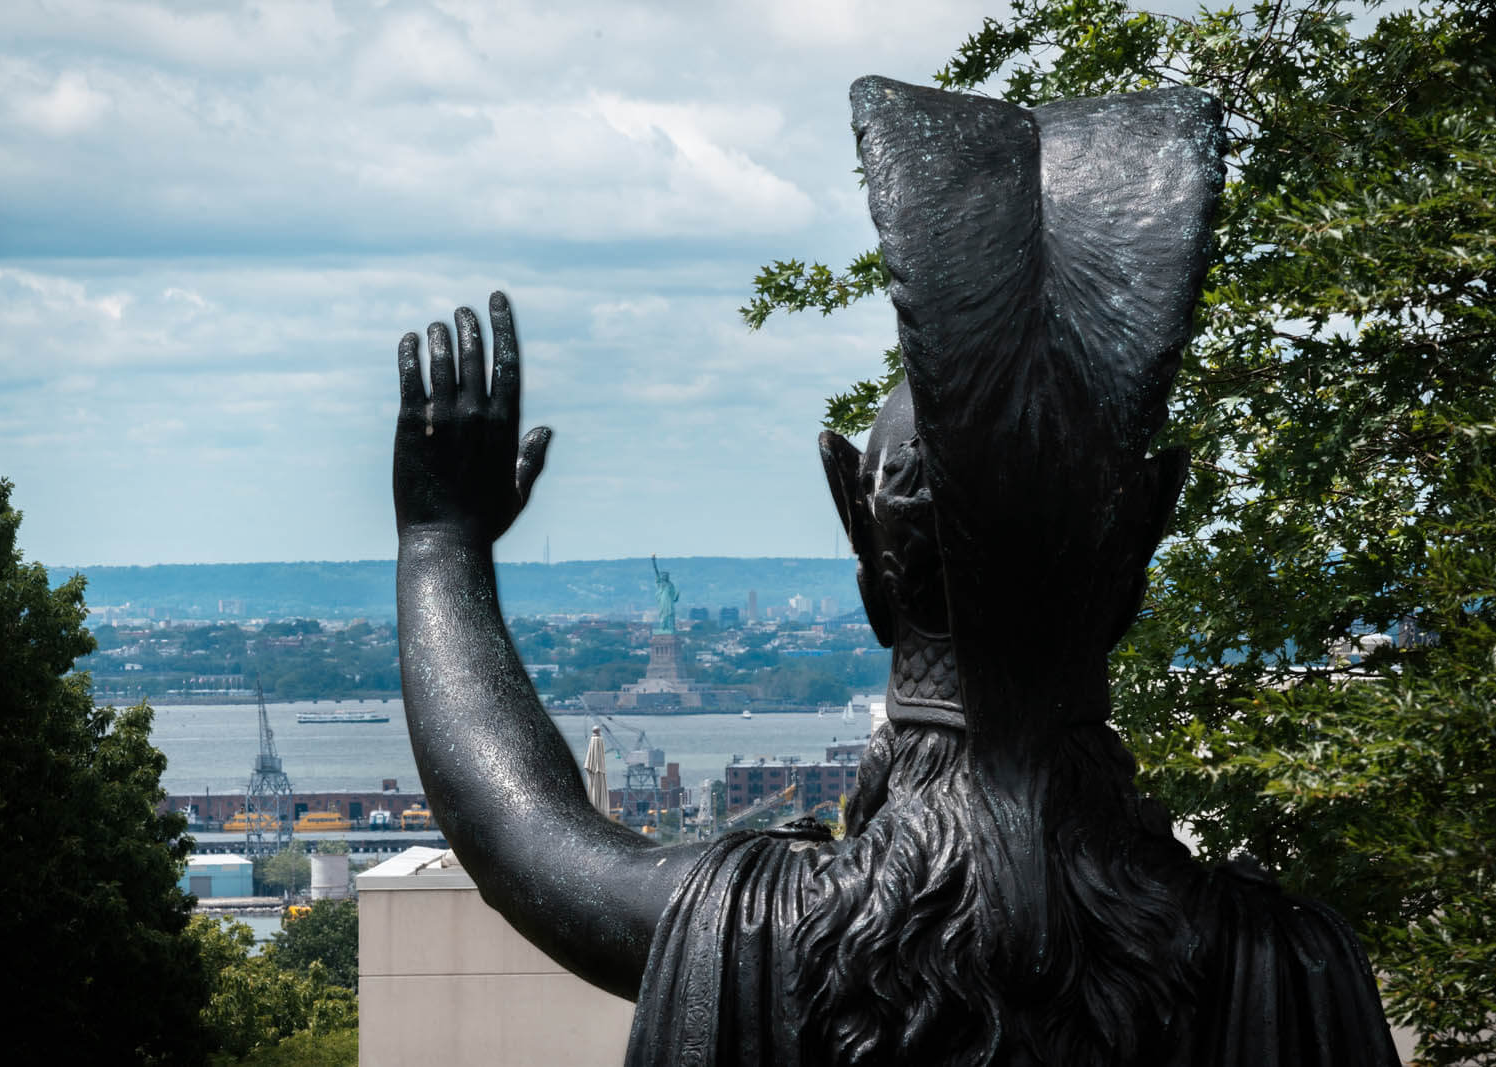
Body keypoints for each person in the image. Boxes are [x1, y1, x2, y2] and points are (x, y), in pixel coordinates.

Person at [391, 77, 1399, 1067]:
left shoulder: (760, 934)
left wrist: (441, 545)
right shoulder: (1285, 970)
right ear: (1133, 559)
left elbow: (520, 830)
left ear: (867, 549)